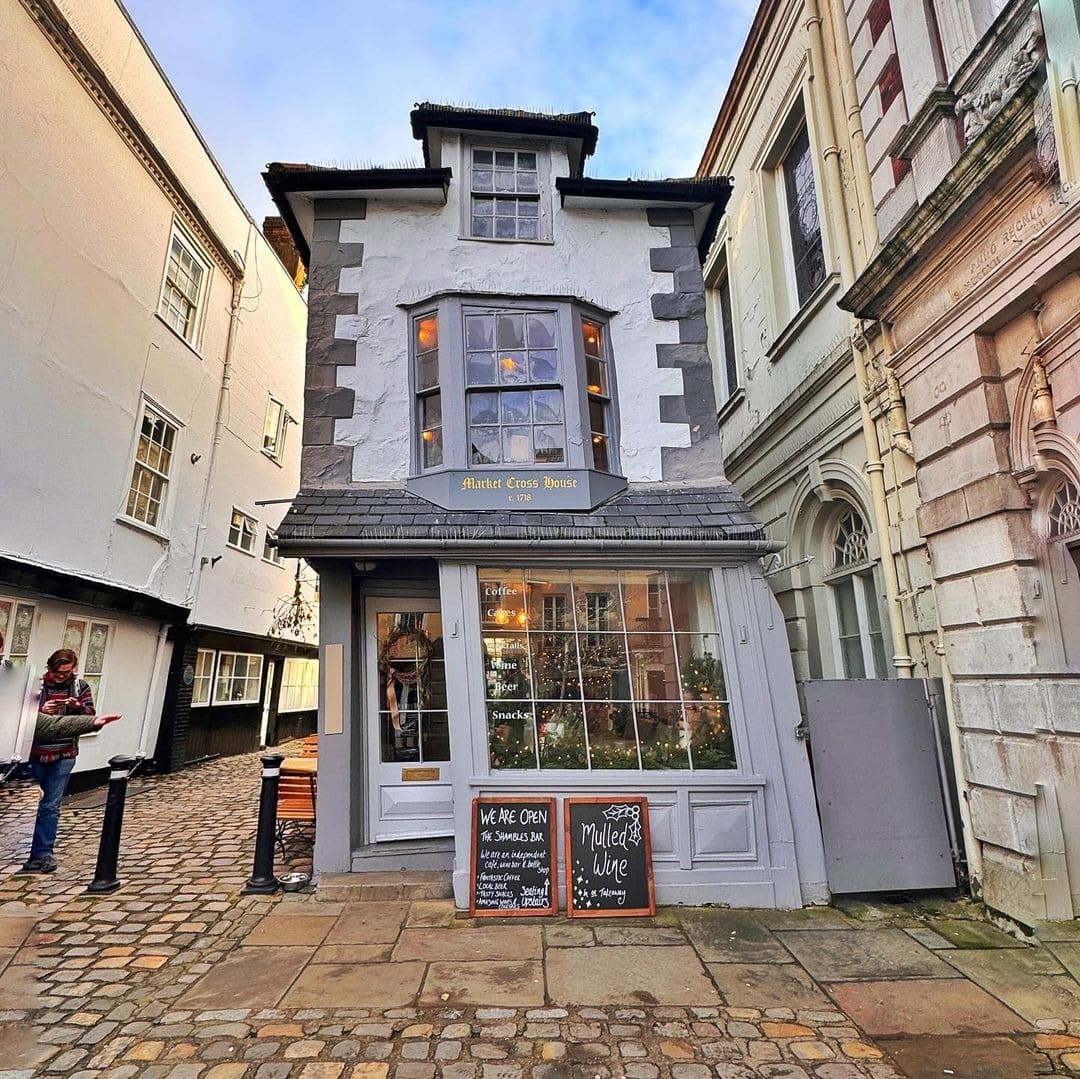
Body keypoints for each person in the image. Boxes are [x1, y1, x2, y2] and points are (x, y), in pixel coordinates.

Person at [22, 648, 121, 873]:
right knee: (26, 805)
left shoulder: (80, 687)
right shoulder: (35, 685)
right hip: (34, 753)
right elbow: (21, 716)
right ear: (50, 668)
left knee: (50, 806)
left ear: (73, 670)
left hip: (64, 754)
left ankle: (41, 855)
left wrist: (77, 708)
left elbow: (89, 716)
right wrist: (40, 710)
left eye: (65, 673)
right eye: (57, 672)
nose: (60, 676)